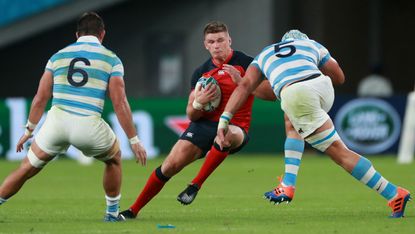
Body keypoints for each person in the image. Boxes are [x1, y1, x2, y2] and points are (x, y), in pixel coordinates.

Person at [217, 29, 411, 218]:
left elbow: (249, 88)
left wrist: (225, 118)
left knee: (339, 153)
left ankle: (393, 194)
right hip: (321, 87)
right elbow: (339, 78)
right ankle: (288, 182)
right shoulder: (311, 44)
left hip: (296, 93)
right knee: (291, 117)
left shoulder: (265, 54)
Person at [119, 21, 275, 219]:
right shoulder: (200, 73)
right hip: (203, 125)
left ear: (229, 40)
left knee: (225, 135)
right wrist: (198, 104)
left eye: (220, 40)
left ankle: (195, 185)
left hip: (235, 126)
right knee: (169, 166)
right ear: (205, 45)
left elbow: (271, 95)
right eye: (212, 41)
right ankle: (133, 210)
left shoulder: (248, 63)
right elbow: (191, 115)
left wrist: (243, 83)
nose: (217, 45)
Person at [0, 12, 147, 222]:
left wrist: (28, 130)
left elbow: (41, 97)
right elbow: (119, 102)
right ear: (102, 34)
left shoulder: (57, 56)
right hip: (88, 125)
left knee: (26, 168)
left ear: (77, 34)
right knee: (113, 159)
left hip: (56, 123)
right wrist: (134, 140)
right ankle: (112, 214)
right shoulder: (111, 59)